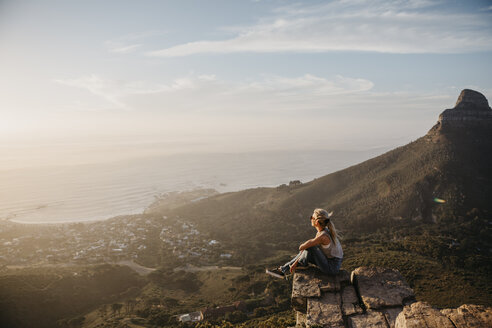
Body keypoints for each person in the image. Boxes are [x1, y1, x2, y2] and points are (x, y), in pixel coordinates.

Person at [266, 208, 343, 279]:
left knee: (310, 247)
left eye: (311, 217)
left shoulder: (323, 236)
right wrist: (295, 263)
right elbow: (306, 248)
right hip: (330, 263)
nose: (310, 219)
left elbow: (302, 247)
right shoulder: (324, 231)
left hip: (331, 268)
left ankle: (284, 270)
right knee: (310, 247)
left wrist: (308, 243)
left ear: (316, 221)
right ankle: (282, 270)